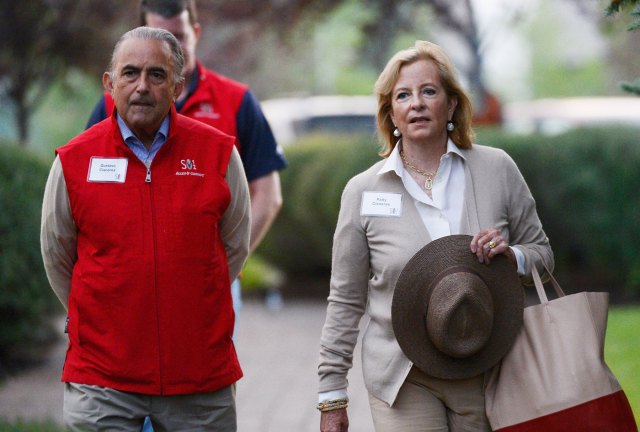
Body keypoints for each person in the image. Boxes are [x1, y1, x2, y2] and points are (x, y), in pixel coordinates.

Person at [317, 40, 554, 432]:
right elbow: (345, 298)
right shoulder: (363, 192)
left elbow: (543, 255)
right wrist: (331, 396)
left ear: (452, 104)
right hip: (400, 377)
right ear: (390, 112)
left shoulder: (497, 169)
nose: (417, 104)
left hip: (489, 371)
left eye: (429, 91)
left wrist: (513, 256)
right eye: (403, 95)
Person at [41, 26, 250, 431]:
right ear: (109, 83)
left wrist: (189, 301)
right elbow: (57, 254)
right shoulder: (74, 160)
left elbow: (234, 246)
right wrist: (100, 316)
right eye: (130, 73)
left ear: (178, 85)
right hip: (102, 378)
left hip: (199, 376)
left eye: (157, 75)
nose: (142, 86)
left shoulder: (219, 153)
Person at [86, 0, 287, 323]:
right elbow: (89, 192)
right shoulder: (114, 103)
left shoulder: (235, 101)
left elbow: (268, 193)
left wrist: (225, 264)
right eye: (161, 36)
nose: (169, 47)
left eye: (178, 36)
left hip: (210, 284)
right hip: (128, 284)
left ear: (195, 32)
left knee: (207, 371)